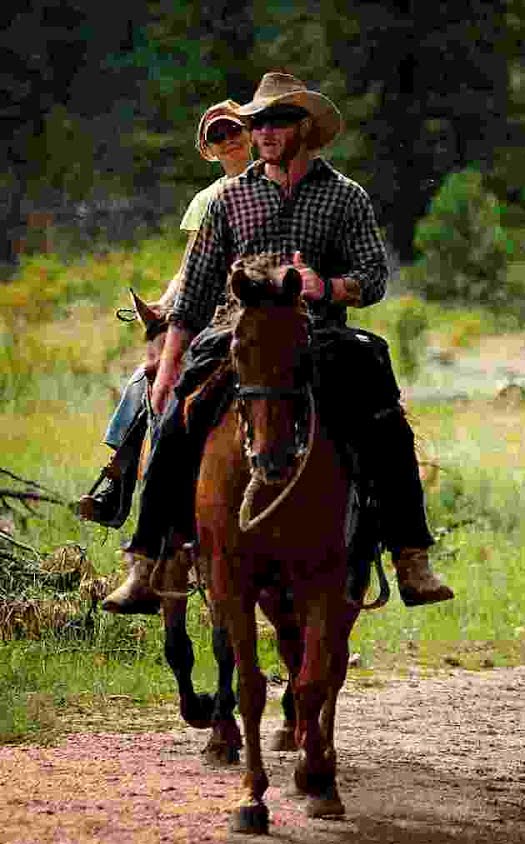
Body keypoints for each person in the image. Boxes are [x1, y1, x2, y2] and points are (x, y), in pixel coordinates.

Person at [102, 72, 453, 613]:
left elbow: (373, 275)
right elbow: (194, 292)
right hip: (235, 334)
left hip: (320, 334)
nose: (262, 131)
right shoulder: (229, 201)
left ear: (304, 129)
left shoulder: (344, 197)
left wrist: (329, 285)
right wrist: (169, 366)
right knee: (176, 422)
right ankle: (147, 562)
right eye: (257, 122)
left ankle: (410, 553)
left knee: (383, 408)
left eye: (276, 121)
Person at [77, 100, 254, 526]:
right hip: (214, 315)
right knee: (149, 377)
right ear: (207, 150)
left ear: (249, 133)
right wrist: (165, 303)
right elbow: (190, 267)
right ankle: (118, 484)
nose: (228, 140)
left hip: (262, 309)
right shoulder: (205, 201)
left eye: (234, 131)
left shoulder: (272, 184)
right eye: (218, 136)